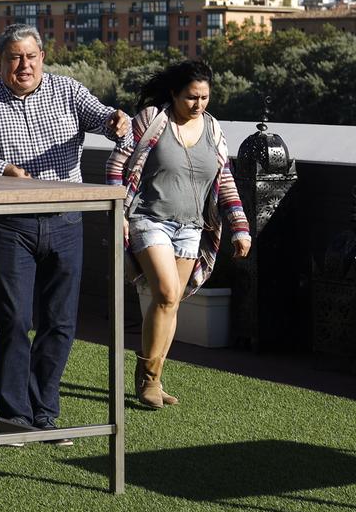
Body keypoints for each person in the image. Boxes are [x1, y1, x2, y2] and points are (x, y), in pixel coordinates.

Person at [0, 26, 129, 441]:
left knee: (61, 321)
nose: (24, 65)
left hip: (67, 220)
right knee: (15, 319)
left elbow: (102, 117)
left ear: (42, 57)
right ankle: (13, 414)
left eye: (31, 56)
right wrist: (4, 169)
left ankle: (45, 411)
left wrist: (116, 120)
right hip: (13, 222)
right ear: (0, 63)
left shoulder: (67, 90)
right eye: (15, 58)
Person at [107, 59, 250, 408]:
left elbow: (225, 180)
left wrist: (239, 228)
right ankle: (148, 380)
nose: (198, 104)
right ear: (174, 94)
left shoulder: (214, 130)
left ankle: (152, 377)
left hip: (192, 227)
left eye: (204, 97)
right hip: (147, 218)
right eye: (191, 97)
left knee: (170, 304)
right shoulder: (152, 119)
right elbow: (116, 163)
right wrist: (116, 212)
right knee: (167, 293)